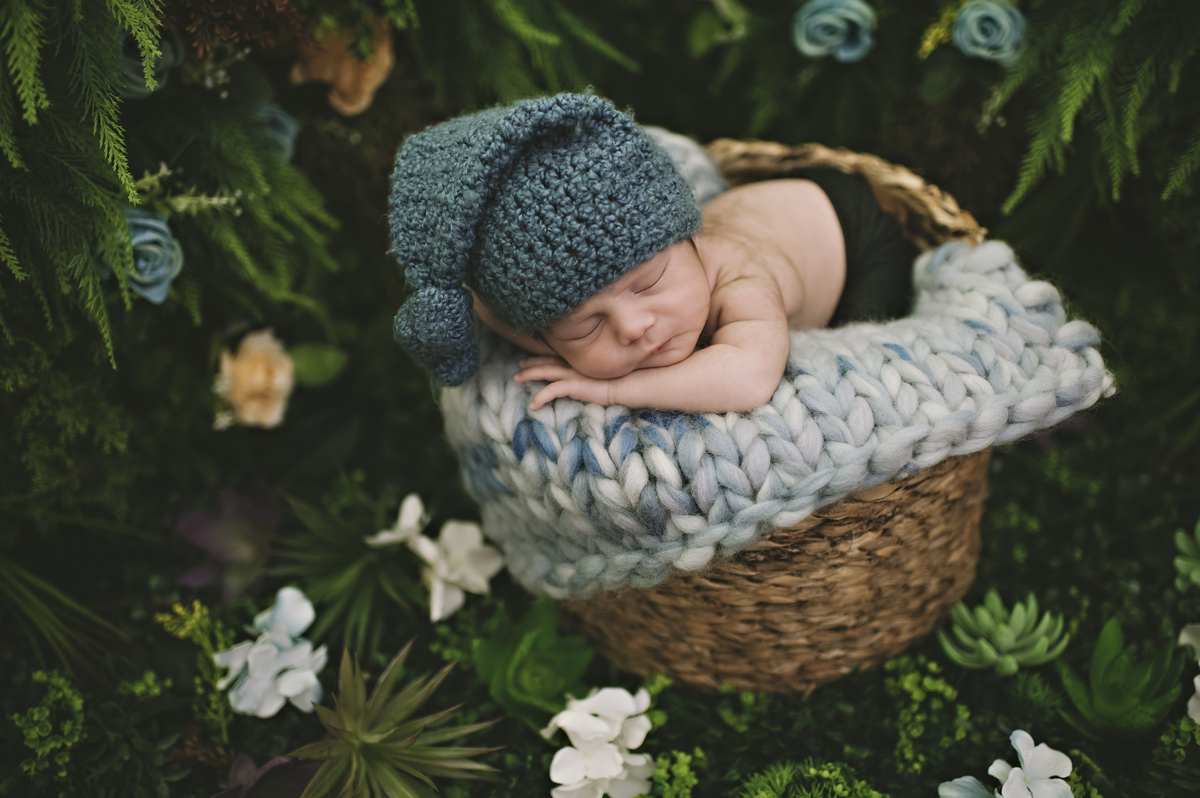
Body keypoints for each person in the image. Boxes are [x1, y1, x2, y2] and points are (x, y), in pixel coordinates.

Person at [389, 92, 914, 413]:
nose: (634, 327)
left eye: (649, 284)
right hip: (776, 207)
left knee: (857, 350)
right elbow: (497, 310)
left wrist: (615, 392)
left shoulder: (736, 275)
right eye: (587, 327)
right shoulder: (575, 302)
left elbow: (752, 378)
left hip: (854, 241)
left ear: (689, 244)